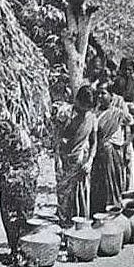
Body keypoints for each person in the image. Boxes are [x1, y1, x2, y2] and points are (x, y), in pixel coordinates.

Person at [91, 81, 134, 215]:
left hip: (113, 153)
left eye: (103, 93)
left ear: (111, 96)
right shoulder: (94, 112)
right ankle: (98, 213)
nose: (100, 96)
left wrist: (126, 142)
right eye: (98, 93)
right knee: (99, 184)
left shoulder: (118, 113)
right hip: (98, 154)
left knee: (113, 182)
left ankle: (114, 212)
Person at [0, 120, 39, 266]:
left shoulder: (22, 140)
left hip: (24, 183)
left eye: (4, 138)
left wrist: (14, 175)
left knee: (23, 217)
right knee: (8, 217)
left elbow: (31, 165)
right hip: (9, 184)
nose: (2, 141)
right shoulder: (2, 143)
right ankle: (14, 250)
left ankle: (24, 251)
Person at [57, 86, 98, 224]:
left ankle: (80, 228)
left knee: (81, 196)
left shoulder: (92, 117)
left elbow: (94, 142)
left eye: (88, 108)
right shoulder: (65, 114)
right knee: (65, 198)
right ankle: (65, 228)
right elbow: (57, 139)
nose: (85, 110)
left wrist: (90, 161)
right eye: (83, 106)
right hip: (65, 163)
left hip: (82, 161)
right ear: (77, 101)